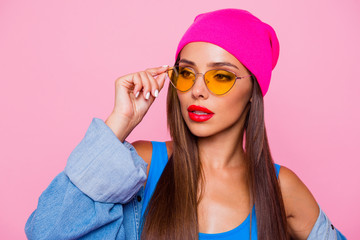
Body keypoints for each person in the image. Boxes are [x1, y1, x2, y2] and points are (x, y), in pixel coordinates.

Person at [25, 8, 346, 240]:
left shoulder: (281, 188)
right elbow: (47, 232)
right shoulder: (141, 166)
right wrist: (118, 125)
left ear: (253, 91)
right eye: (187, 73)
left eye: (220, 76)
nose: (197, 90)